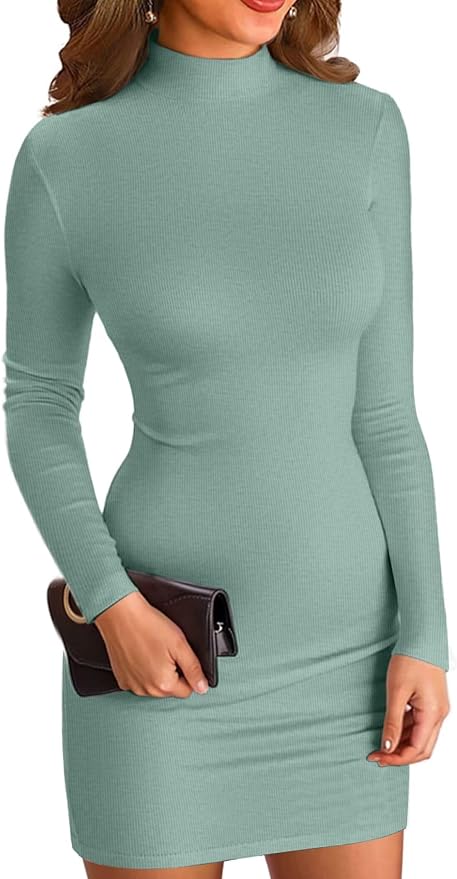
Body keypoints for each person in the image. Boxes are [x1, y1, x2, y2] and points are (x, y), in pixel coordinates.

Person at [2, 1, 451, 878]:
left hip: (350, 662)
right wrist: (109, 602)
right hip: (161, 649)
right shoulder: (66, 156)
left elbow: (385, 415)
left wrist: (426, 634)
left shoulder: (365, 128)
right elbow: (38, 402)